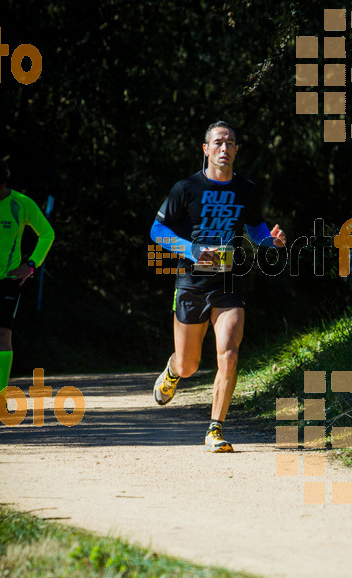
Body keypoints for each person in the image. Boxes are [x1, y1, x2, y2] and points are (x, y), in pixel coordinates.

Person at [150, 121, 286, 452]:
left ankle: (215, 428)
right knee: (189, 365)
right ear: (206, 149)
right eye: (218, 142)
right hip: (191, 283)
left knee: (229, 350)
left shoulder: (247, 190)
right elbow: (158, 231)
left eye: (230, 143)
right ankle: (172, 371)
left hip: (230, 281)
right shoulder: (185, 189)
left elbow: (255, 227)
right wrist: (192, 250)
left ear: (237, 150)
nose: (224, 148)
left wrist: (271, 242)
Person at [0, 158, 55, 415]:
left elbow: (47, 233)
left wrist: (31, 265)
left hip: (8, 280)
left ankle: (1, 396)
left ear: (3, 184)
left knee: (2, 334)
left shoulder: (20, 204)